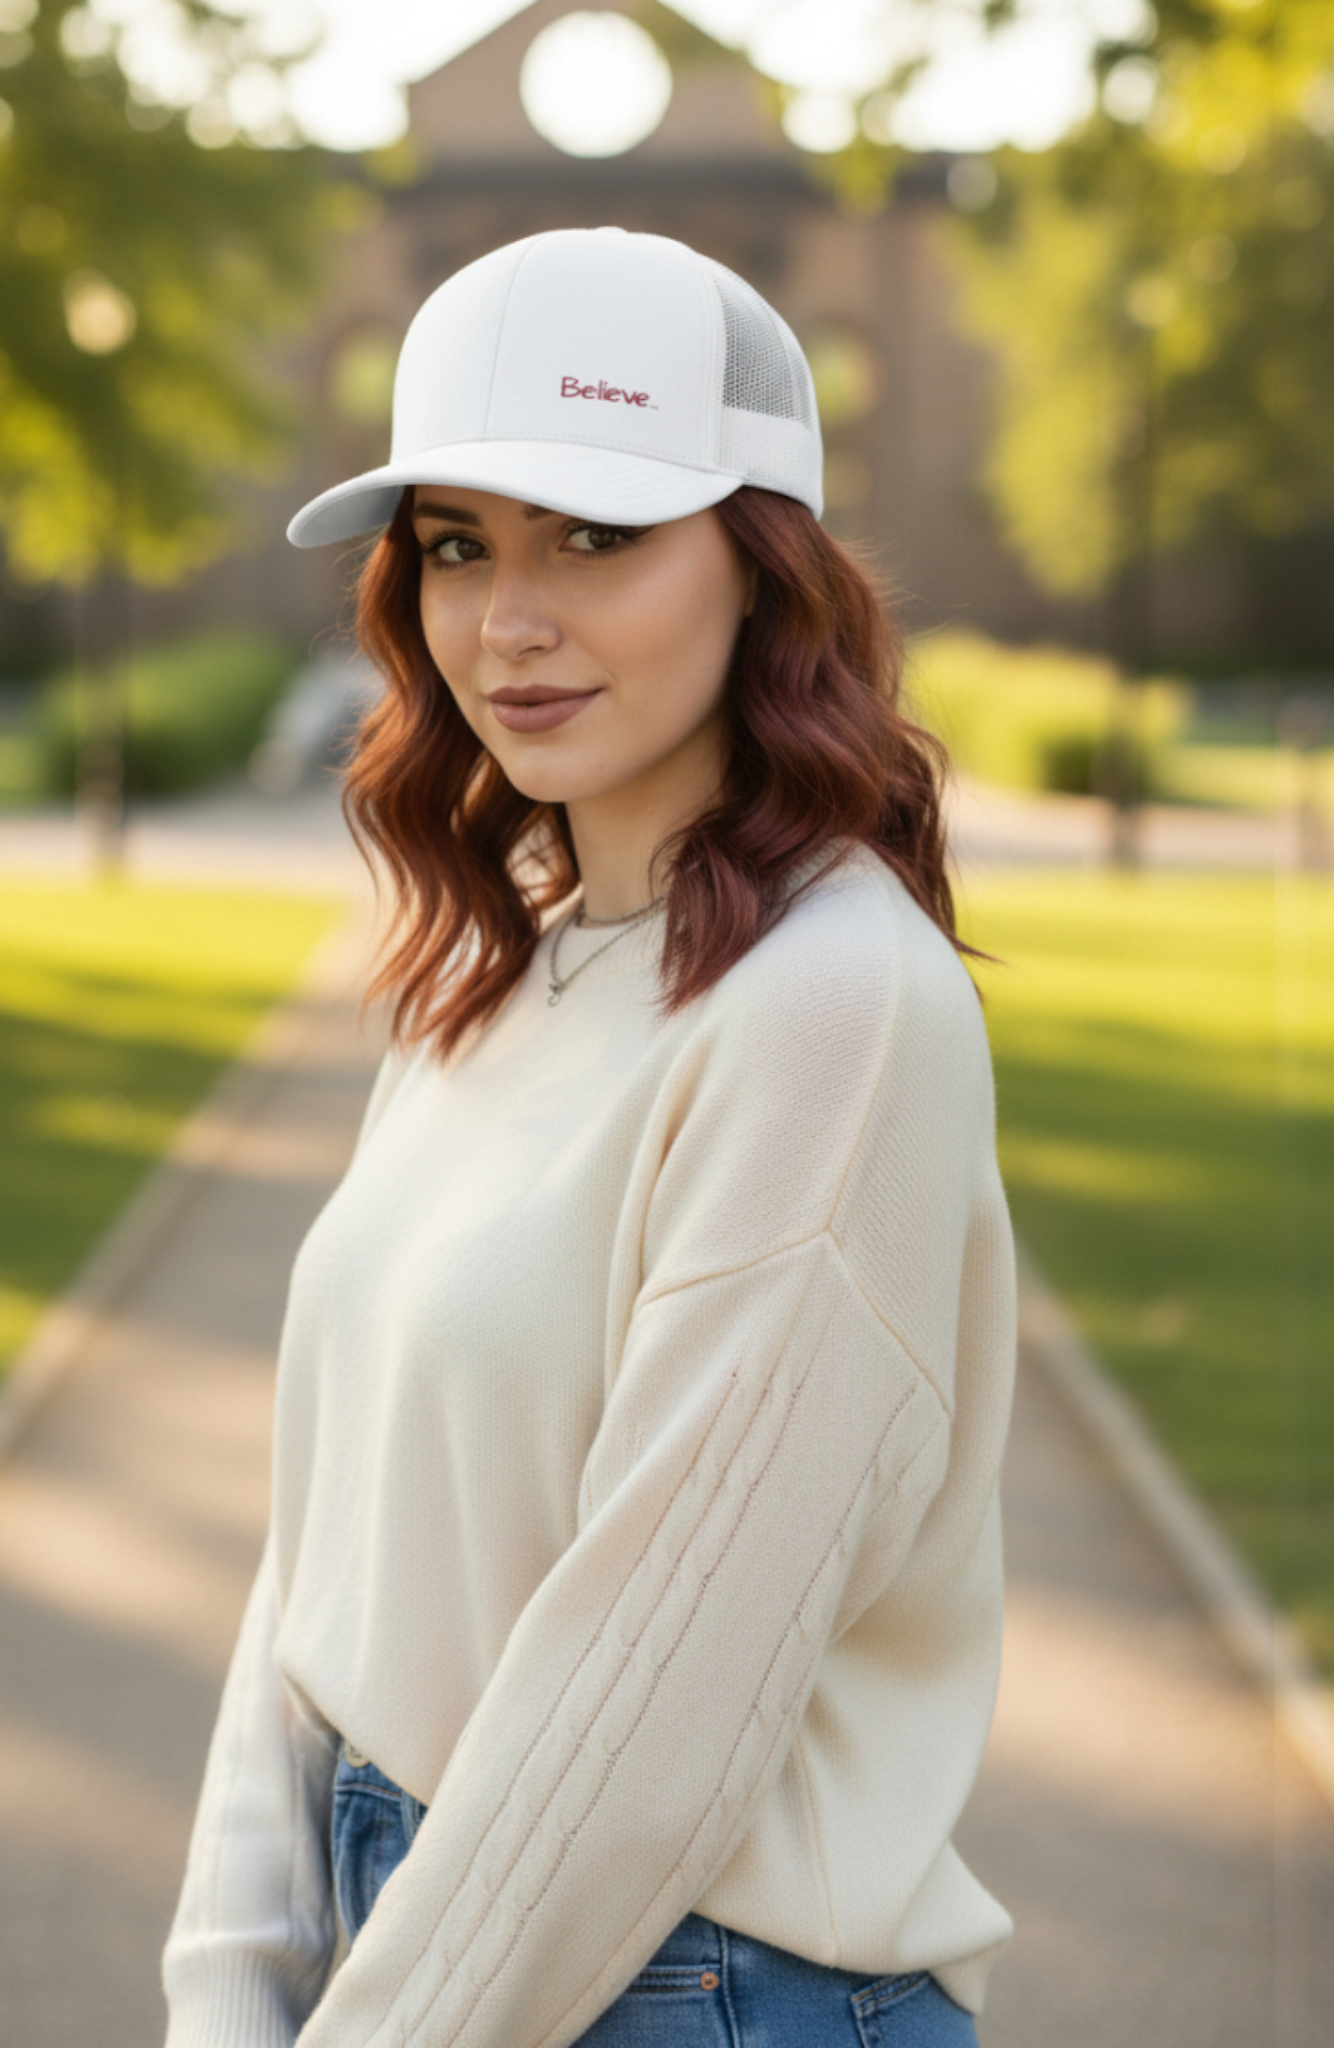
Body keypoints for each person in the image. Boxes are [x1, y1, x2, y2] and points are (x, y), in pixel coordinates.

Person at [163, 226, 1016, 2048]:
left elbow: (648, 1717)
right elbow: (327, 1542)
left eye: (597, 537)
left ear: (762, 565)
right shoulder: (505, 958)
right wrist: (227, 1987)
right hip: (416, 1930)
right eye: (459, 544)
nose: (508, 621)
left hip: (680, 1983)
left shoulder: (829, 1009)